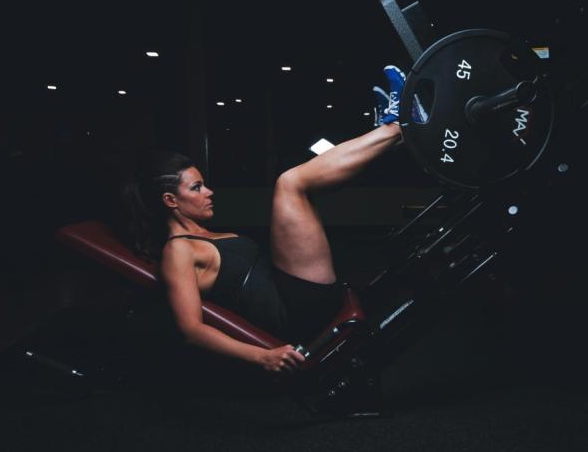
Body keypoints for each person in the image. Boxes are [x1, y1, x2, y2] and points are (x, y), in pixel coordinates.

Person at [121, 66, 421, 375]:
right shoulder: (178, 252)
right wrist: (262, 356)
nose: (209, 192)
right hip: (295, 311)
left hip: (291, 290)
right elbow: (191, 329)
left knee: (302, 189)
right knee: (290, 184)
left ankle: (392, 134)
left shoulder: (202, 235)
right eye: (196, 188)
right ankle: (397, 126)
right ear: (170, 201)